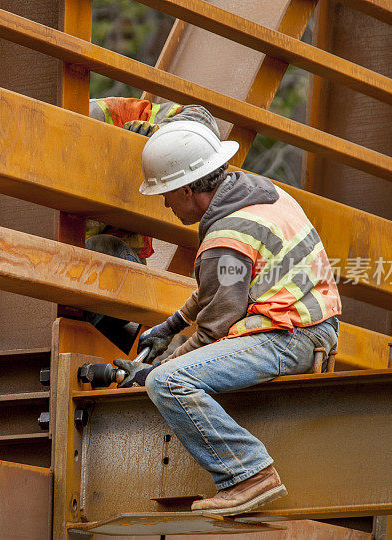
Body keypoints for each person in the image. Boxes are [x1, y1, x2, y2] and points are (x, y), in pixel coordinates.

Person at [114, 118, 342, 515]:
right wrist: (170, 326)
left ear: (187, 188)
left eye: (167, 193)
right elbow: (223, 284)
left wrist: (154, 370)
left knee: (170, 383)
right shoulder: (258, 196)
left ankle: (249, 475)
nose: (166, 203)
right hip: (309, 327)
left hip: (288, 335)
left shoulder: (225, 237)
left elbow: (214, 330)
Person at [84, 97, 220, 352]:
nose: (167, 204)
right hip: (73, 282)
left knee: (101, 247)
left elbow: (202, 120)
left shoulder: (110, 115)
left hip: (116, 270)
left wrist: (163, 135)